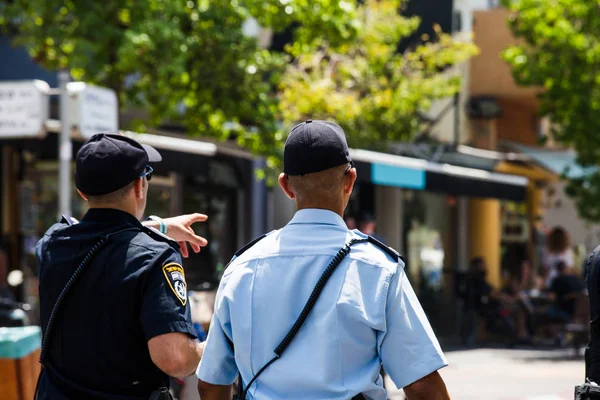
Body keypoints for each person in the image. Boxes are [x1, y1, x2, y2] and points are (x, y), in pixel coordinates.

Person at [196, 120, 450, 399]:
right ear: (350, 180)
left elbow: (211, 384)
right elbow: (423, 385)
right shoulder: (378, 269)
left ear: (286, 186)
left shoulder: (242, 268)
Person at [36, 133, 208, 400]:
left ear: (82, 192)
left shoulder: (51, 244)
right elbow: (174, 359)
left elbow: (97, 230)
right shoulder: (156, 255)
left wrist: (160, 227)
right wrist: (210, 348)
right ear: (140, 186)